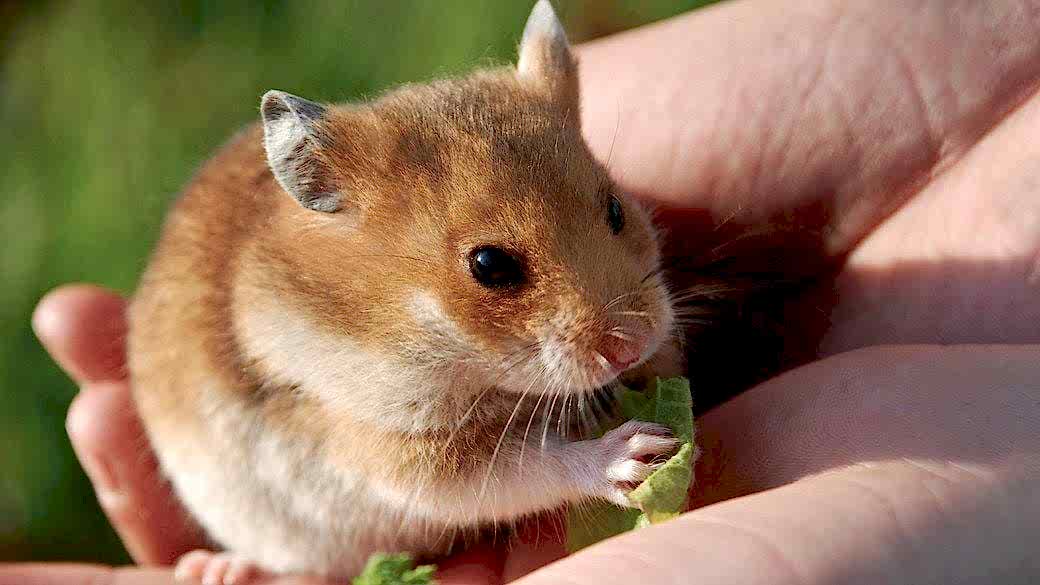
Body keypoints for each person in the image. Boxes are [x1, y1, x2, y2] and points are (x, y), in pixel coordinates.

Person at [14, 0, 1040, 582]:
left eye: (609, 220)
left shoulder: (546, 154)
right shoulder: (344, 325)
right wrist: (583, 463)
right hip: (273, 471)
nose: (623, 329)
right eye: (498, 273)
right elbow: (414, 473)